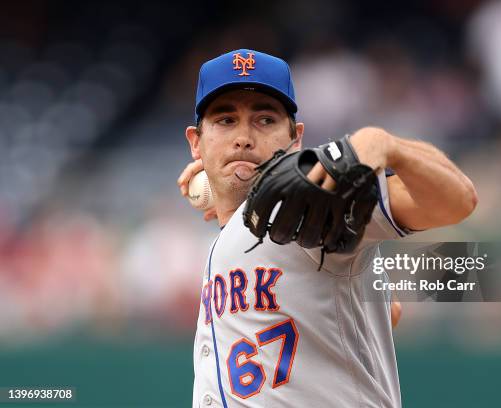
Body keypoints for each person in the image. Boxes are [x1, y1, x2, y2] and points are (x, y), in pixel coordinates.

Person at [177, 49, 477, 408]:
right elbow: (379, 311)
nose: (243, 137)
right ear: (196, 142)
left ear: (296, 139)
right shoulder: (230, 236)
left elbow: (458, 200)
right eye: (226, 121)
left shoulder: (312, 203)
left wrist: (389, 146)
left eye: (265, 120)